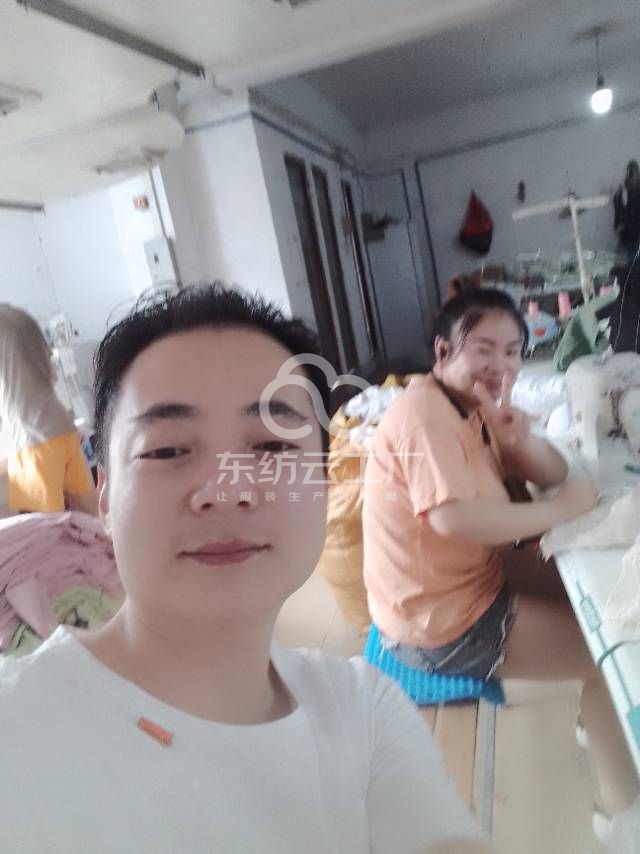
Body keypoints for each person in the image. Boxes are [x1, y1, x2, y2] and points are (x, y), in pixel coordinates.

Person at [0, 285, 492, 854]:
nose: (227, 490)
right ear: (104, 496)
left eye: (272, 447)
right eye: (166, 450)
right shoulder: (18, 733)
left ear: (323, 481)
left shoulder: (361, 708)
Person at [362, 288, 640, 846]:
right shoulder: (423, 414)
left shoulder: (468, 407)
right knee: (608, 658)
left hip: (468, 576)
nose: (501, 365)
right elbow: (452, 519)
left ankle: (596, 722)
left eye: (512, 351)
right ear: (443, 352)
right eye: (483, 349)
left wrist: (518, 437)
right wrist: (560, 510)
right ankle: (623, 815)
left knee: (597, 591)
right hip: (439, 619)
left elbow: (553, 471)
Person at [0, 304, 97, 515]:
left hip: (33, 432)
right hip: (53, 423)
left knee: (45, 525)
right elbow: (51, 373)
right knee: (88, 515)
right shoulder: (17, 319)